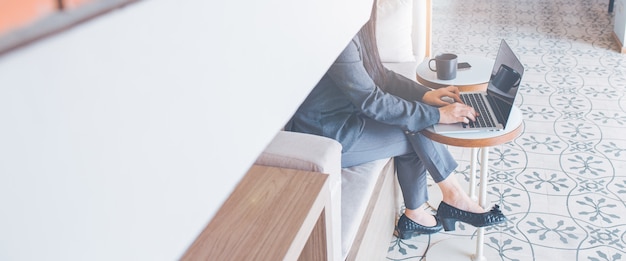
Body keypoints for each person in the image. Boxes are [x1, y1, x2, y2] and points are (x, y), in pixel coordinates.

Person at [284, 7, 506, 239]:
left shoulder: (350, 21)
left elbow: (380, 75)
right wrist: (438, 115)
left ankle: (419, 213)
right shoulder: (336, 32)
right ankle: (453, 199)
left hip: (345, 116)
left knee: (418, 119)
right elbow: (371, 100)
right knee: (420, 125)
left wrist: (425, 94)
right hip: (327, 134)